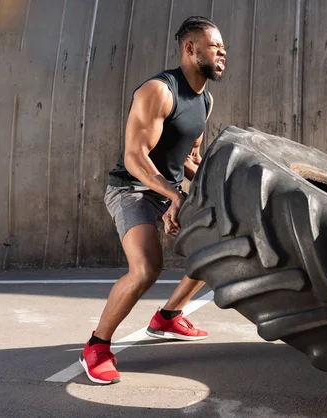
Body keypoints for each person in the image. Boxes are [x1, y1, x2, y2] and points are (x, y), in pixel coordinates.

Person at [79, 16, 226, 385]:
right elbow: (135, 157)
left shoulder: (205, 99)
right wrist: (173, 195)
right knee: (145, 269)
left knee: (224, 247)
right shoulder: (159, 91)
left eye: (224, 48)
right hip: (132, 189)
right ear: (191, 49)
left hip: (169, 191)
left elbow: (190, 159)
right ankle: (97, 346)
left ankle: (168, 317)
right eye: (215, 46)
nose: (223, 53)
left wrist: (219, 190)